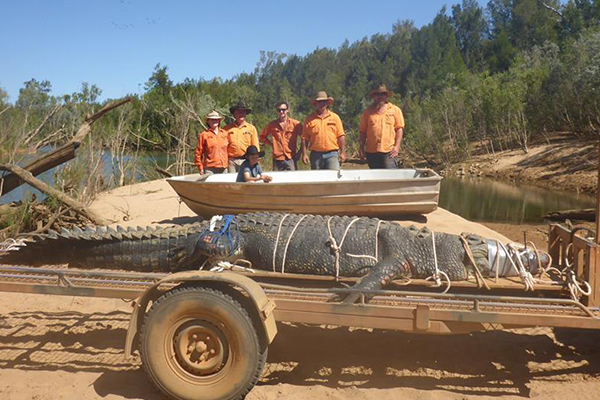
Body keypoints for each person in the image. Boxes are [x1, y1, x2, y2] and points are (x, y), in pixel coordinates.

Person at [359, 84, 405, 169]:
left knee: (391, 178)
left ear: (386, 96)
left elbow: (399, 129)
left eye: (382, 94)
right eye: (377, 94)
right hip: (371, 152)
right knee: (376, 179)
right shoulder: (367, 112)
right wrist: (361, 148)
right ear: (374, 96)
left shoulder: (395, 110)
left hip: (389, 151)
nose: (380, 97)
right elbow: (363, 131)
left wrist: (397, 146)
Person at [301, 91, 346, 170]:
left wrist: (343, 153)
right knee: (318, 180)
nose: (322, 104)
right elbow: (305, 138)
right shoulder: (309, 119)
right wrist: (304, 154)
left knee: (333, 178)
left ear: (327, 103)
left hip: (332, 154)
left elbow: (341, 136)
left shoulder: (335, 117)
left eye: (324, 101)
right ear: (316, 103)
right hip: (315, 155)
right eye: (319, 102)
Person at [259, 101, 302, 171]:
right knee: (277, 180)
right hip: (277, 158)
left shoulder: (296, 124)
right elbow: (262, 136)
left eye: (283, 110)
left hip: (291, 157)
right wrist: (272, 144)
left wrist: (300, 153)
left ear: (288, 110)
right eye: (279, 110)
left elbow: (305, 138)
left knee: (293, 180)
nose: (281, 112)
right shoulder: (272, 125)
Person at [225, 101, 260, 173]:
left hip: (246, 160)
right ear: (234, 114)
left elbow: (255, 146)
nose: (241, 114)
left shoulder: (251, 128)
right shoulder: (226, 129)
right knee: (232, 182)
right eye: (238, 112)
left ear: (246, 114)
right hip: (231, 161)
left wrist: (256, 160)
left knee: (246, 181)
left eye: (243, 112)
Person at [194, 110, 228, 174]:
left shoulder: (224, 134)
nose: (214, 121)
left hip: (223, 168)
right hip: (210, 168)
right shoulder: (204, 135)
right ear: (208, 121)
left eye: (216, 119)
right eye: (212, 120)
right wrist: (200, 167)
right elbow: (198, 153)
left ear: (219, 121)